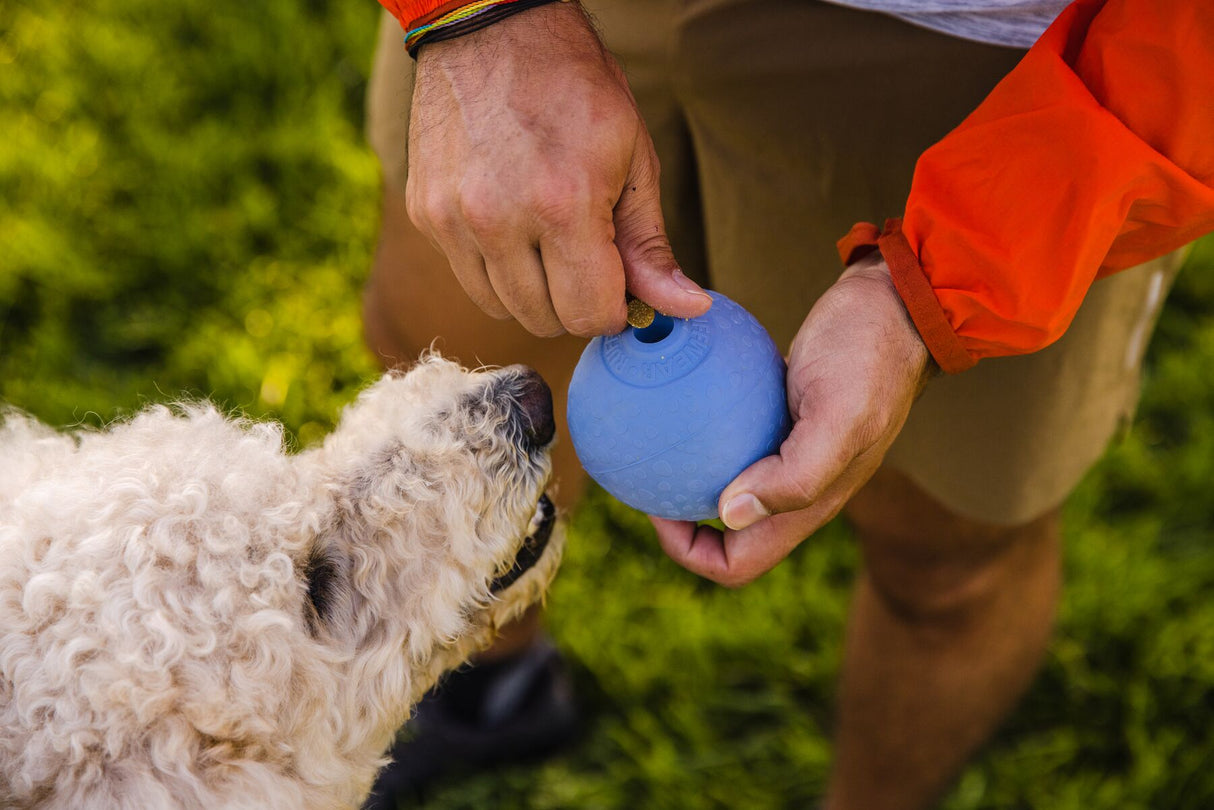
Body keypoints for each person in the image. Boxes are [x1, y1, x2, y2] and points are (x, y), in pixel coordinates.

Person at [360, 1, 1214, 807]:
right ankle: (495, 690)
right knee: (457, 387)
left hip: (991, 54)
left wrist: (938, 282)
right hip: (540, 20)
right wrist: (471, 16)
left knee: (947, 554)